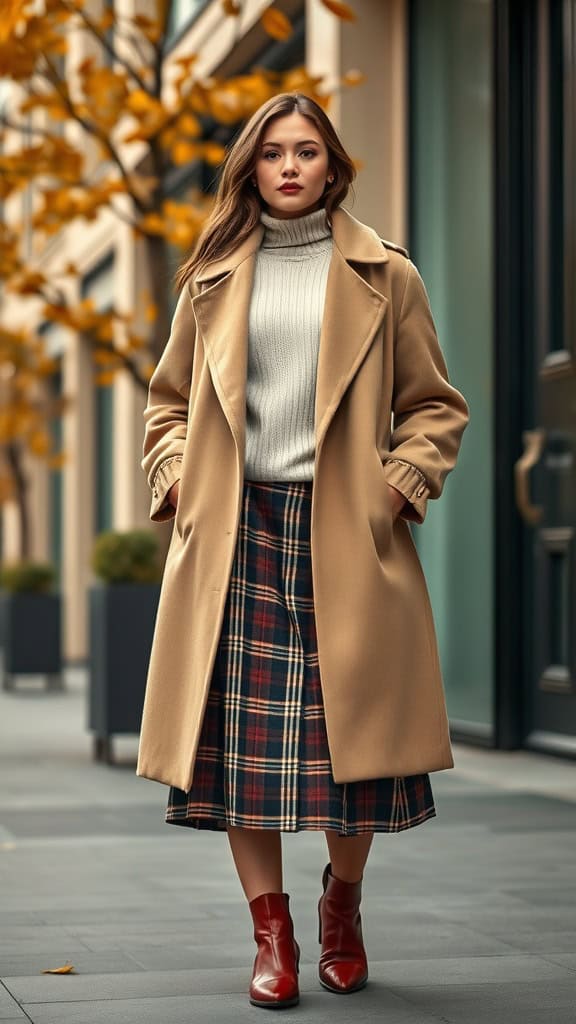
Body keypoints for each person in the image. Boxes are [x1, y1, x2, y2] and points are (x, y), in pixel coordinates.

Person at [136, 91, 469, 1009]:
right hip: (235, 538)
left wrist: (398, 486)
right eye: (272, 152)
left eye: (307, 151)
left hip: (345, 539)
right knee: (242, 758)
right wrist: (177, 482)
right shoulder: (209, 275)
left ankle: (343, 906)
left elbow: (435, 407)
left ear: (333, 166)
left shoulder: (385, 274)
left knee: (345, 757)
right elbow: (167, 403)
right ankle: (271, 934)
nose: (290, 166)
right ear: (249, 167)